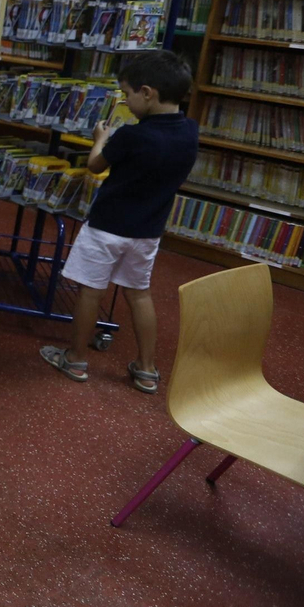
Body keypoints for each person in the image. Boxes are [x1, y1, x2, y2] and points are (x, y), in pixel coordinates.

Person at [41, 49, 199, 393]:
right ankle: (146, 369)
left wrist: (100, 141)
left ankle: (76, 359)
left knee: (89, 292)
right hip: (148, 232)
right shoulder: (190, 132)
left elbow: (95, 166)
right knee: (139, 294)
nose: (125, 103)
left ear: (148, 93)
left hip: (107, 227)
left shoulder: (131, 135)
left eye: (127, 95)